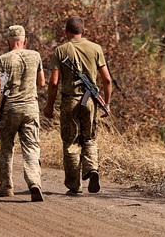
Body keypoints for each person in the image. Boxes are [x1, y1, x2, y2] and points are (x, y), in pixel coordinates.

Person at [43, 16, 112, 195]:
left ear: (66, 32)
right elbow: (107, 79)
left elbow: (54, 83)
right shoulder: (96, 48)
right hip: (90, 102)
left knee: (71, 141)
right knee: (89, 138)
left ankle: (74, 185)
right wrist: (107, 103)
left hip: (69, 100)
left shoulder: (61, 50)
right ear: (83, 31)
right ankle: (92, 168)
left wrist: (49, 105)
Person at [0, 25, 46, 202]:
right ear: (25, 41)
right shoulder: (35, 55)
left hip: (10, 109)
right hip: (31, 108)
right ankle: (34, 182)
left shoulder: (3, 59)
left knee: (6, 148)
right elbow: (42, 82)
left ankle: (6, 187)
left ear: (8, 41)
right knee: (31, 147)